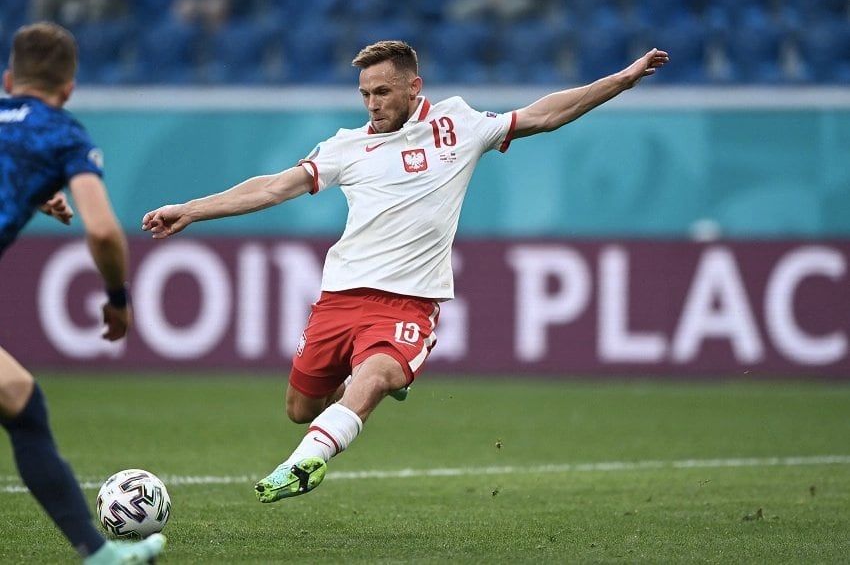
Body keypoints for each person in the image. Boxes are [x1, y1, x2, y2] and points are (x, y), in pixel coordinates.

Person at [142, 40, 669, 503]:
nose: (373, 104)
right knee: (301, 407)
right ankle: (356, 397)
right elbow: (273, 186)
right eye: (365, 94)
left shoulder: (459, 124)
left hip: (407, 303)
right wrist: (191, 208)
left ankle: (302, 463)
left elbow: (543, 114)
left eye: (383, 93)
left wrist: (621, 80)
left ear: (414, 87)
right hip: (339, 298)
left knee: (369, 380)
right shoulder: (346, 146)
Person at [0, 22, 166, 564]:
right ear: (69, 87)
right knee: (23, 408)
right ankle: (98, 554)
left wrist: (32, 188)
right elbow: (100, 229)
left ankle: (97, 553)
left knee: (20, 399)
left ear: (8, 78)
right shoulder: (63, 135)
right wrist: (117, 297)